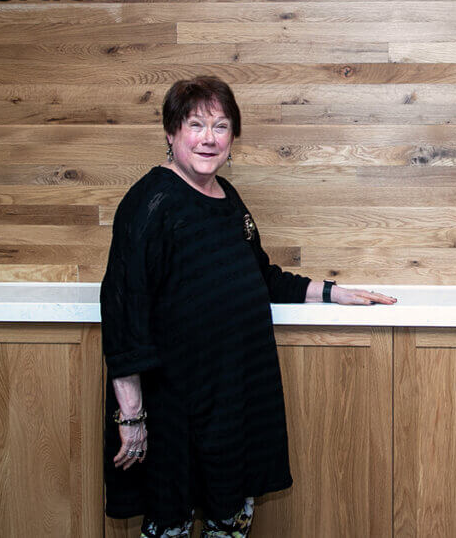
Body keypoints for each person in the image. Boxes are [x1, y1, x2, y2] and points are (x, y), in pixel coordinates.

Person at [100, 76, 395, 538]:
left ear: (233, 137)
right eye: (196, 124)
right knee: (170, 523)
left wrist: (334, 292)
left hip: (233, 399)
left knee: (231, 519)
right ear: (171, 132)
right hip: (174, 409)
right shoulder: (150, 204)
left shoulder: (227, 198)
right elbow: (122, 313)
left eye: (220, 126)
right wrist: (132, 416)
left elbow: (260, 275)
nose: (208, 138)